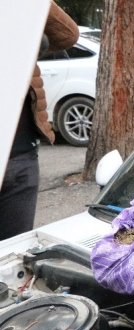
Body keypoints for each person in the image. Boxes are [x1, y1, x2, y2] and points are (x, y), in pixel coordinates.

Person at [0, 2, 78, 240]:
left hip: (21, 158)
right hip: (19, 160)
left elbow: (68, 34)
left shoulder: (17, 18)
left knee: (12, 257)